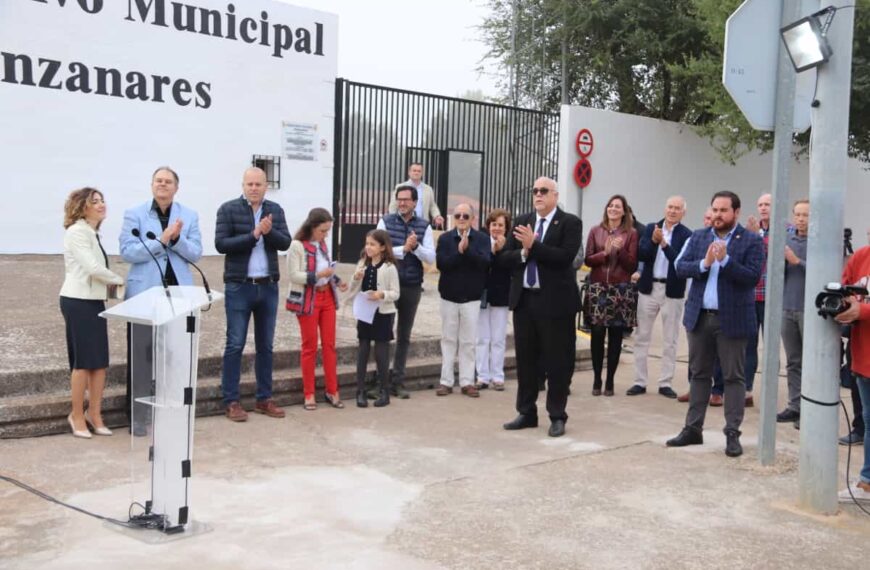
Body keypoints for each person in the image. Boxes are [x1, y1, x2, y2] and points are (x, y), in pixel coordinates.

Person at [667, 191, 763, 458]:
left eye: (724, 210)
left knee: (734, 377)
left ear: (736, 213)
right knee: (699, 374)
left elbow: (752, 277)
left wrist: (726, 261)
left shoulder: (752, 241)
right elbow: (679, 267)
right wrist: (706, 263)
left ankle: (732, 434)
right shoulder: (698, 236)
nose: (718, 215)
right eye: (715, 210)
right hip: (700, 317)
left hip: (732, 319)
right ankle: (692, 429)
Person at [119, 166, 202, 434]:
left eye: (168, 182)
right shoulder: (135, 214)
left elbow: (196, 253)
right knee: (141, 358)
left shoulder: (189, 216)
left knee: (174, 356)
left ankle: (172, 413)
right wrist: (160, 241)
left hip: (177, 295)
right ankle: (139, 417)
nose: (162, 185)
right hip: (144, 295)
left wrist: (176, 240)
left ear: (176, 188)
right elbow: (127, 252)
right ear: (152, 185)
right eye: (158, 181)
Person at [500, 177, 582, 438]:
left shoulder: (570, 222)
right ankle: (526, 412)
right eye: (535, 191)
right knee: (525, 360)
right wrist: (523, 254)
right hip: (525, 301)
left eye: (543, 191)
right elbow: (504, 259)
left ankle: (557, 415)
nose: (538, 195)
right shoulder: (523, 221)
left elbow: (564, 258)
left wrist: (533, 247)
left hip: (555, 304)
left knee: (557, 361)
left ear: (555, 195)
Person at [215, 167, 292, 422]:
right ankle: (231, 401)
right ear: (243, 185)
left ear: (266, 186)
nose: (254, 188)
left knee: (266, 346)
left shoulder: (275, 210)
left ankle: (264, 398)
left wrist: (269, 232)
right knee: (235, 344)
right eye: (249, 184)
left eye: (258, 184)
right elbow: (221, 244)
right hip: (239, 286)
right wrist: (254, 234)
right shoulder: (228, 209)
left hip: (267, 286)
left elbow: (285, 243)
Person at [59, 188, 125, 438]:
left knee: (99, 363)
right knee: (82, 364)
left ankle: (94, 414)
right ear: (81, 206)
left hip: (94, 301)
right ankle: (76, 415)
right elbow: (92, 267)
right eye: (94, 201)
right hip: (77, 301)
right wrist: (120, 280)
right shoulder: (77, 232)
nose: (101, 205)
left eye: (102, 200)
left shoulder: (91, 232)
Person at [628, 196, 692, 399]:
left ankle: (665, 382)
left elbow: (680, 262)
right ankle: (639, 381)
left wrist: (663, 244)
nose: (672, 211)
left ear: (683, 212)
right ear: (665, 209)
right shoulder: (651, 228)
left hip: (672, 291)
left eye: (677, 208)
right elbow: (643, 254)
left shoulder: (687, 235)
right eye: (670, 207)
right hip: (649, 287)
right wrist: (654, 242)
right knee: (642, 336)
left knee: (670, 339)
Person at [377, 184, 436, 398]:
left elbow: (430, 258)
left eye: (406, 200)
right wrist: (405, 248)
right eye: (399, 199)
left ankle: (398, 381)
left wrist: (417, 247)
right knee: (383, 334)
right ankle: (380, 381)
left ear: (414, 202)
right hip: (388, 286)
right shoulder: (385, 221)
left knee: (404, 336)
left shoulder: (424, 226)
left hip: (411, 286)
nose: (402, 203)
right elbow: (377, 249)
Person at [287, 208, 349, 410]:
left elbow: (327, 268)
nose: (325, 235)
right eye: (323, 230)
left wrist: (337, 280)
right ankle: (309, 393)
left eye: (328, 231)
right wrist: (317, 275)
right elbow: (293, 275)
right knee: (310, 346)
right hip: (309, 299)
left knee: (330, 345)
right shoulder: (297, 245)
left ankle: (333, 390)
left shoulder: (321, 243)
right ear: (312, 227)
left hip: (327, 296)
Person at [583, 195, 639, 397]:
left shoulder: (631, 234)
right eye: (611, 205)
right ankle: (597, 378)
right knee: (597, 333)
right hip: (598, 287)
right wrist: (605, 253)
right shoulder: (595, 231)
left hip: (620, 288)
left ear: (624, 211)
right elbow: (588, 260)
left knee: (615, 335)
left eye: (618, 206)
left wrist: (620, 251)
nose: (613, 209)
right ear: (606, 209)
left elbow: (632, 264)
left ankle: (610, 381)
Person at [435, 203, 491, 397]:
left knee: (468, 342)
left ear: (472, 219)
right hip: (449, 297)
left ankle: (467, 382)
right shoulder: (445, 239)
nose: (461, 218)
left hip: (472, 298)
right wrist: (459, 252)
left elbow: (485, 263)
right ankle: (446, 381)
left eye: (465, 216)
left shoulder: (482, 239)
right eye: (457, 215)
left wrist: (468, 251)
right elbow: (442, 264)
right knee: (448, 340)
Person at [347, 229, 400, 408]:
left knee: (381, 352)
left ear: (383, 247)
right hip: (365, 311)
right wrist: (356, 277)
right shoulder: (363, 263)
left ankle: (384, 390)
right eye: (367, 243)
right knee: (363, 349)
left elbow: (396, 293)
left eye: (372, 244)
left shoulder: (389, 267)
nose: (368, 247)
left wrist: (382, 294)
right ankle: (360, 390)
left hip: (383, 313)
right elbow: (353, 286)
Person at [836, 240, 870, 502]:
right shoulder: (861, 256)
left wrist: (864, 310)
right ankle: (868, 481)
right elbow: (844, 287)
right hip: (863, 355)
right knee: (869, 421)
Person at [776, 200, 809, 426]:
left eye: (805, 215)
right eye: (797, 214)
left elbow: (824, 271)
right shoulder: (787, 239)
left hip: (808, 310)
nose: (800, 219)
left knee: (811, 362)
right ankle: (794, 405)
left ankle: (810, 408)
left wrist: (797, 261)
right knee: (793, 361)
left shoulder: (819, 241)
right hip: (787, 306)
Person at [741, 193, 773, 407]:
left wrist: (757, 239)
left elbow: (777, 255)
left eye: (767, 204)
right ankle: (746, 390)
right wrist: (751, 237)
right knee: (748, 345)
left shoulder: (787, 230)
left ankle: (770, 393)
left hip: (772, 298)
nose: (763, 208)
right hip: (752, 295)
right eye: (760, 204)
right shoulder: (749, 230)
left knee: (771, 347)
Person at [476, 208, 512, 391]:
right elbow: (481, 264)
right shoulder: (481, 242)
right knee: (482, 338)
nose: (497, 228)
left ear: (506, 228)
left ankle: (497, 376)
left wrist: (502, 250)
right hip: (483, 294)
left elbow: (509, 266)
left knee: (498, 338)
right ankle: (482, 376)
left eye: (500, 225)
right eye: (494, 224)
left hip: (501, 295)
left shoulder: (511, 244)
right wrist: (492, 250)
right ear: (488, 226)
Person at [388, 162, 444, 228]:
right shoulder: (400, 187)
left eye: (419, 171)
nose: (416, 173)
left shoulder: (428, 189)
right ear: (409, 172)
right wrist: (392, 220)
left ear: (422, 173)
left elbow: (432, 206)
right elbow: (393, 205)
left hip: (422, 223)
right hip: (404, 223)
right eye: (414, 170)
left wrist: (437, 216)